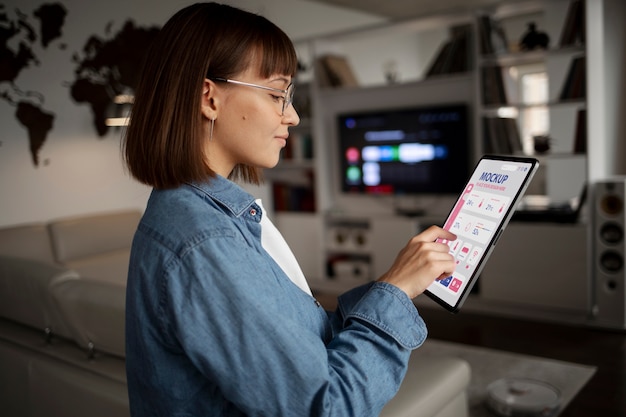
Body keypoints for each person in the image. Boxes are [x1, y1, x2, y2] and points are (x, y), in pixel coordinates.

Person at [122, 3, 457, 416]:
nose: (293, 116)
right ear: (208, 98)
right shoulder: (204, 243)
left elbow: (306, 339)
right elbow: (327, 408)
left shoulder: (195, 217)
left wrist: (395, 283)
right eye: (278, 94)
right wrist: (397, 292)